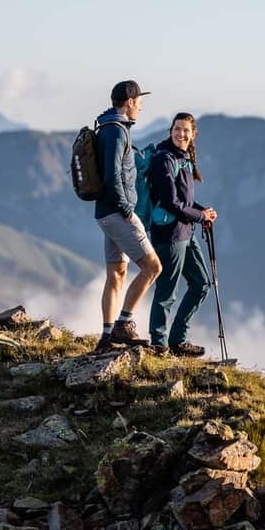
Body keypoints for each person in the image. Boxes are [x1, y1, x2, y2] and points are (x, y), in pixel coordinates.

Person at [93, 80, 162, 351]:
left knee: (117, 273)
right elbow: (112, 175)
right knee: (153, 267)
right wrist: (126, 209)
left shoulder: (105, 128)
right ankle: (124, 324)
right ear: (130, 101)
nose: (141, 107)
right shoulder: (117, 132)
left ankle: (106, 338)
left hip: (105, 213)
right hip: (117, 213)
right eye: (139, 102)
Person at [146, 112, 217, 357]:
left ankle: (177, 339)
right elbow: (171, 202)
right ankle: (159, 343)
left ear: (193, 134)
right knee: (167, 291)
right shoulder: (164, 160)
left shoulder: (183, 158)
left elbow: (185, 200)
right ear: (171, 131)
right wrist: (200, 217)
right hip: (169, 235)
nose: (181, 134)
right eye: (177, 129)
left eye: (186, 130)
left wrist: (202, 211)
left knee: (201, 284)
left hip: (186, 232)